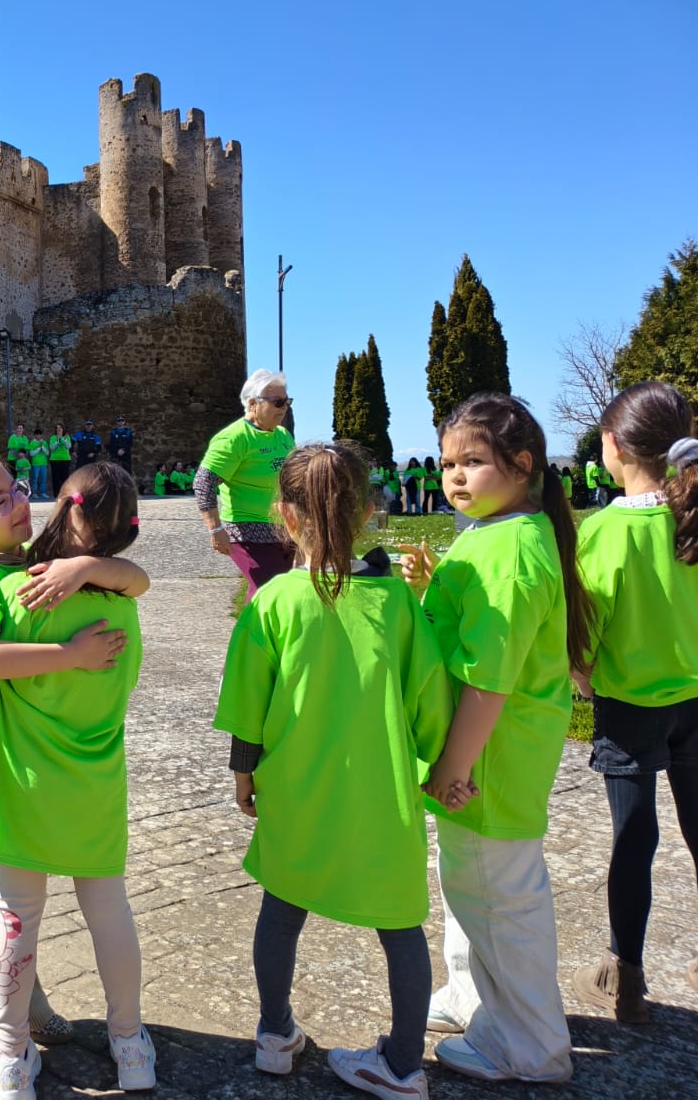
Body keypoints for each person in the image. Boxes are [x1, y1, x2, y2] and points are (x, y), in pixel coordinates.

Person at [217, 442, 453, 1099]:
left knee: (282, 905)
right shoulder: (398, 605)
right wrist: (442, 765)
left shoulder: (272, 602)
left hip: (296, 787)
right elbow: (429, 697)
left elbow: (247, 698)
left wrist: (244, 771)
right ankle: (405, 1064)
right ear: (372, 512)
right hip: (382, 793)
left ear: (283, 517)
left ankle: (273, 1035)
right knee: (401, 924)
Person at [0, 454, 154, 1094]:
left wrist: (87, 566)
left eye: (15, 488)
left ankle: (11, 1008)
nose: (16, 502)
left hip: (9, 754)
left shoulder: (25, 560)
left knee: (7, 898)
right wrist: (70, 655)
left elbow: (137, 578)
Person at [398, 393, 590, 1084]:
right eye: (448, 462)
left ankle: (532, 1045)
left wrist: (454, 763)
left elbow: (489, 679)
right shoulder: (496, 532)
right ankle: (471, 998)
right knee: (470, 885)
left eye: (473, 462)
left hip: (490, 754)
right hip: (486, 750)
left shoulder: (509, 547)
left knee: (502, 901)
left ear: (521, 464)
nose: (453, 475)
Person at [567, 382, 698, 1022]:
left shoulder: (611, 527)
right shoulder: (690, 513)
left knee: (633, 839)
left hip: (631, 706)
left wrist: (584, 680)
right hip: (696, 697)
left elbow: (585, 631)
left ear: (613, 447)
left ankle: (627, 979)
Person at [195, 370, 297, 599]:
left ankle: (264, 634)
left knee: (288, 591)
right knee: (268, 592)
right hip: (248, 530)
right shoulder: (234, 439)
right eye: (278, 402)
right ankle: (251, 634)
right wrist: (215, 529)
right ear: (252, 403)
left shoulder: (283, 435)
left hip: (284, 528)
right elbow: (203, 483)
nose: (284, 408)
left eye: (287, 401)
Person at [48, 424, 73, 495]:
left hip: (65, 459)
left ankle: (65, 493)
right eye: (57, 428)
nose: (59, 429)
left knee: (65, 477)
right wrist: (58, 441)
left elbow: (69, 446)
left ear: (63, 429)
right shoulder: (53, 437)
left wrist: (64, 440)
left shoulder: (67, 437)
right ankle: (56, 494)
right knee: (56, 478)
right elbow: (52, 448)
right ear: (55, 430)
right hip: (55, 460)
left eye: (60, 428)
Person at [26, 431, 49, 500]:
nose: (38, 436)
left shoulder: (44, 443)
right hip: (35, 464)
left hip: (44, 463)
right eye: (37, 435)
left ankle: (43, 493)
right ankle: (34, 493)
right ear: (34, 435)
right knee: (34, 479)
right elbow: (31, 454)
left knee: (43, 479)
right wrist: (39, 448)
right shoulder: (32, 443)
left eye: (39, 435)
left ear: (41, 435)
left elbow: (47, 453)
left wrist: (43, 447)